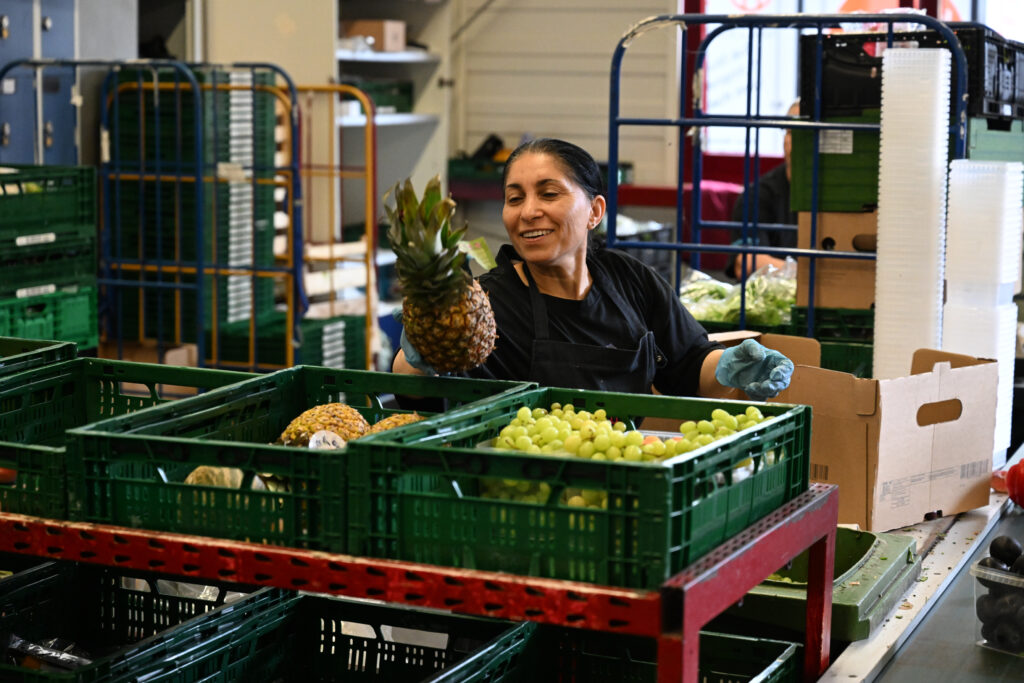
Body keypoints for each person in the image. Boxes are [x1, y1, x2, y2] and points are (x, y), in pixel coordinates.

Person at [393, 138, 792, 401]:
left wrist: (729, 367)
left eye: (549, 194)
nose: (529, 212)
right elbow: (423, 393)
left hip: (621, 477)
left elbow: (686, 366)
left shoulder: (631, 281)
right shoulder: (486, 302)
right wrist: (417, 357)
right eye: (515, 199)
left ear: (595, 212)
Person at [726, 100, 800, 280]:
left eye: (807, 132)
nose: (796, 140)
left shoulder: (842, 197)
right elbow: (746, 263)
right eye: (790, 131)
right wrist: (812, 277)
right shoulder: (756, 196)